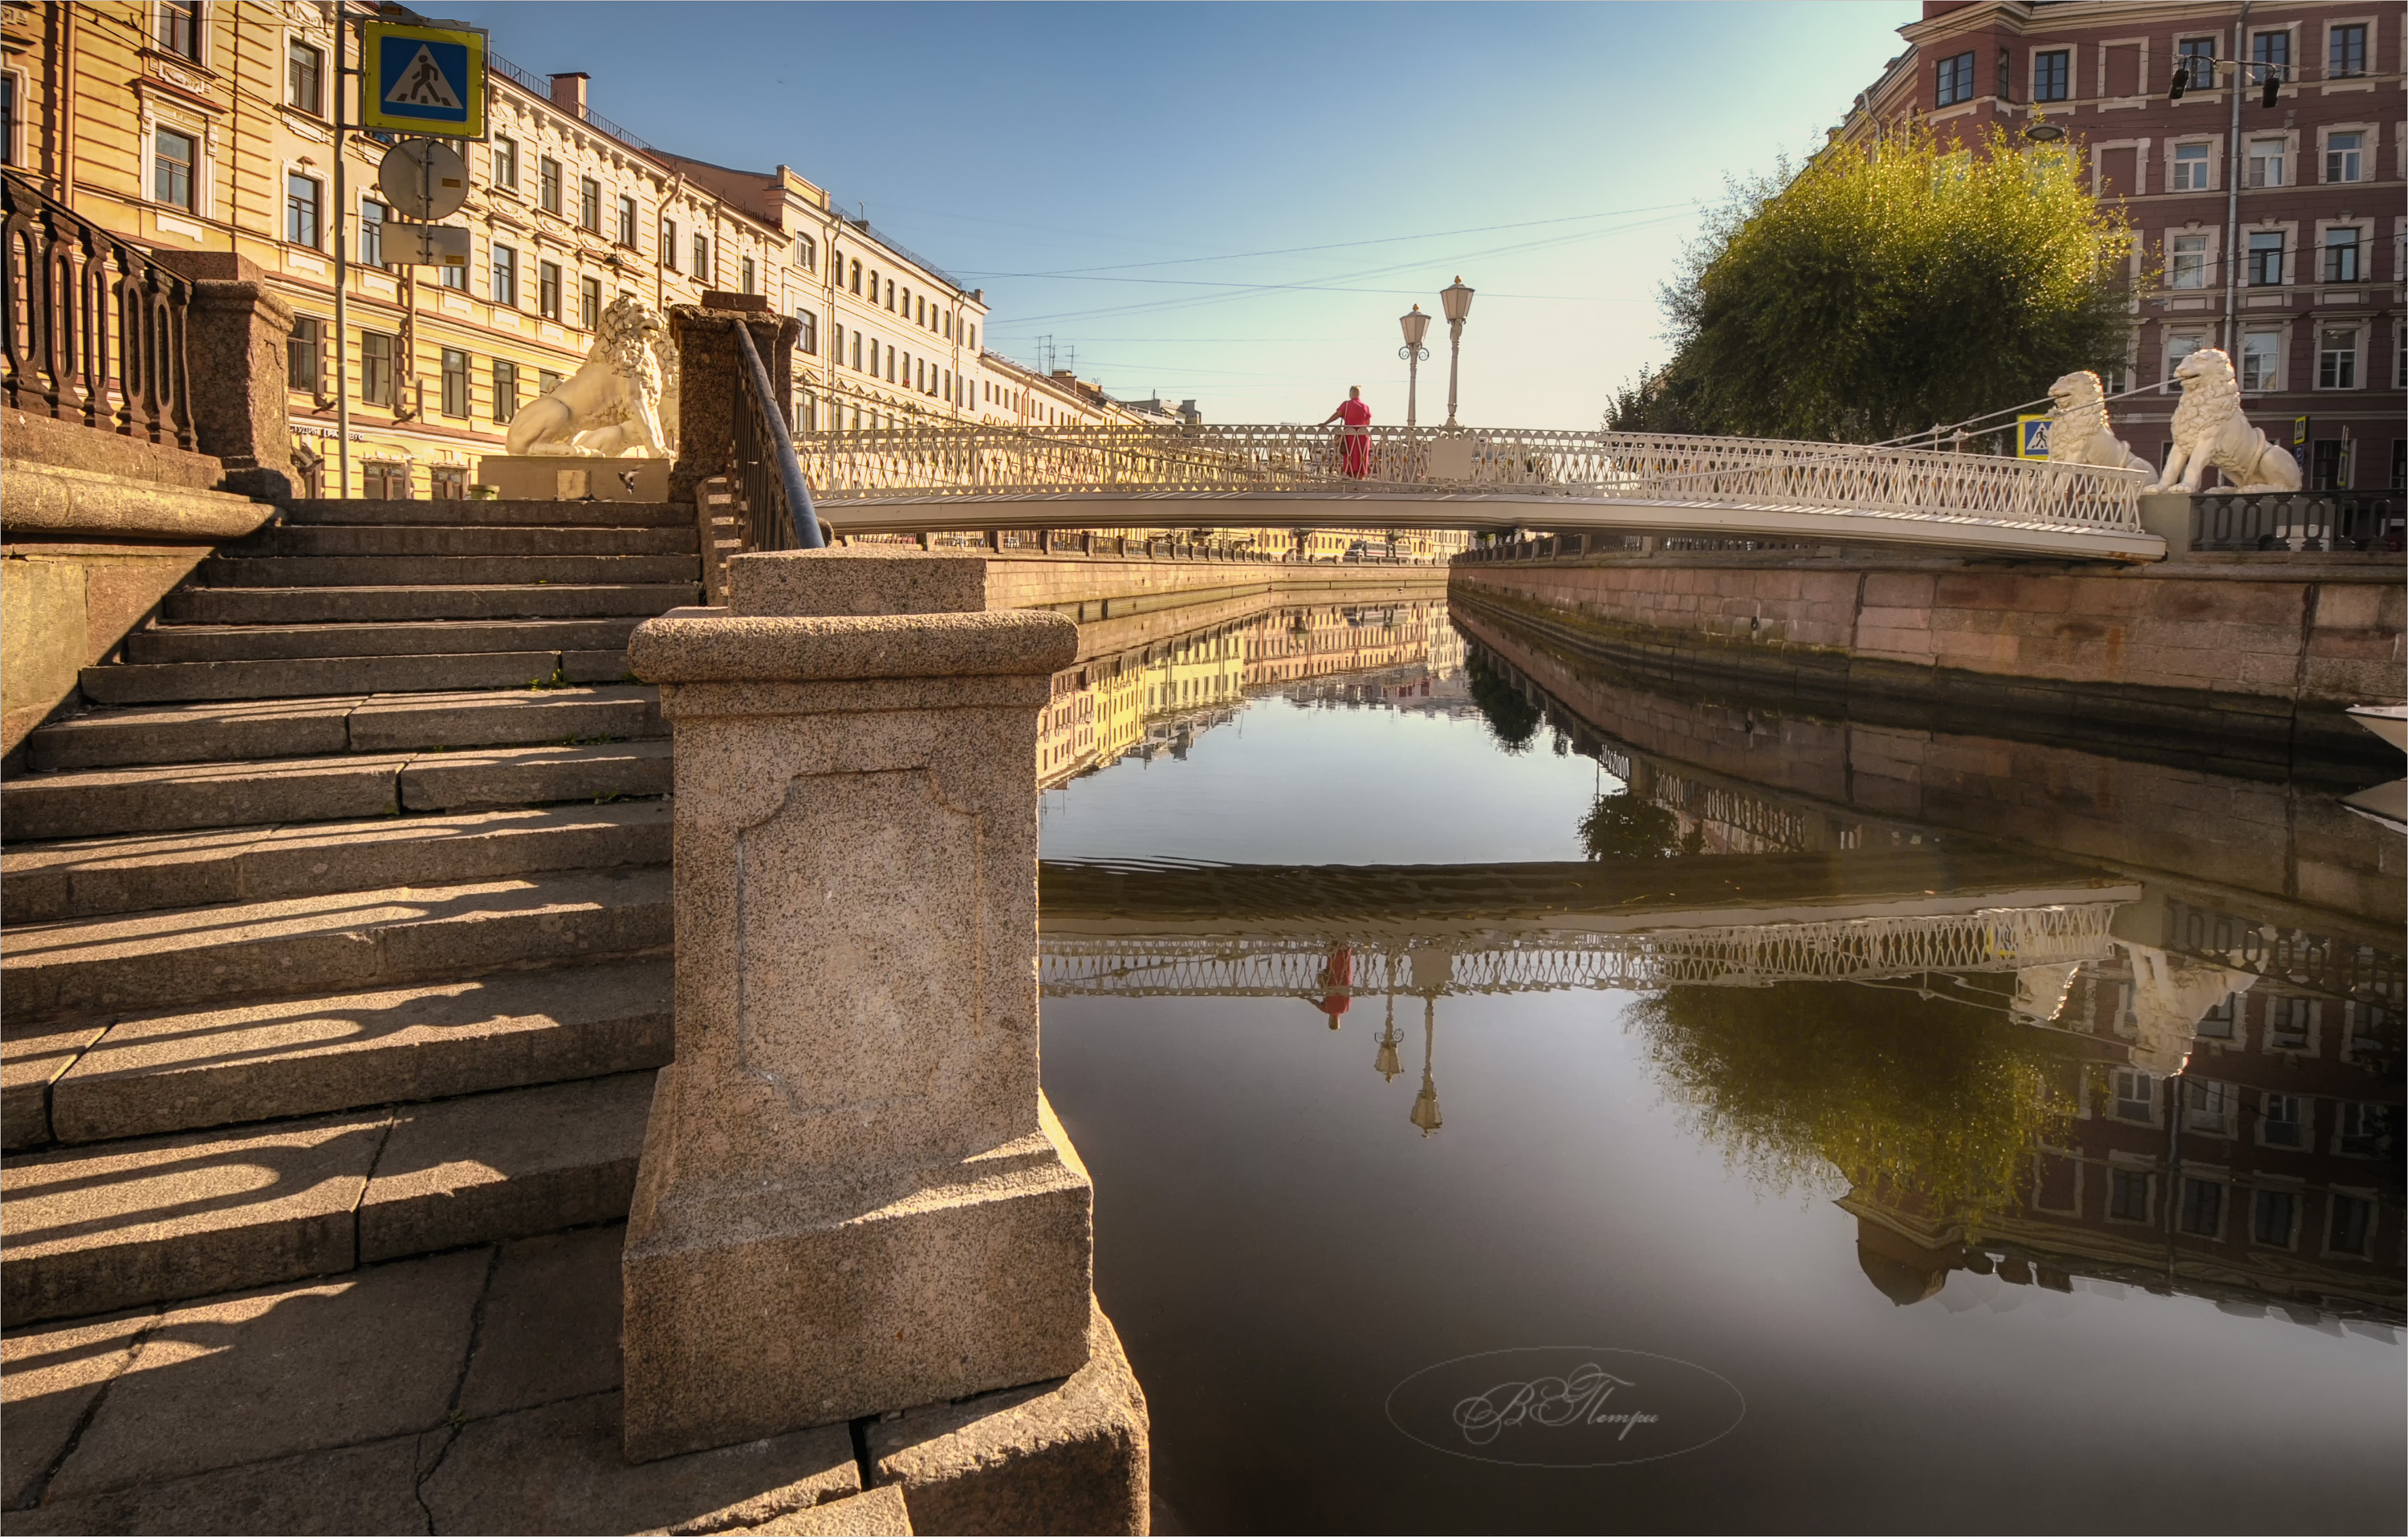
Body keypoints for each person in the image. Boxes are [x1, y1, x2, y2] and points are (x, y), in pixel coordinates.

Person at [1319, 386, 1373, 478]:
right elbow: (1368, 423)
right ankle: (1358, 482)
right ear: (1359, 395)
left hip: (1350, 437)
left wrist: (1325, 423)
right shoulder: (1365, 407)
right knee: (1361, 460)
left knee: (1350, 459)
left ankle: (1352, 481)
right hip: (1362, 437)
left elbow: (1337, 414)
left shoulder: (1346, 404)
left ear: (1350, 394)